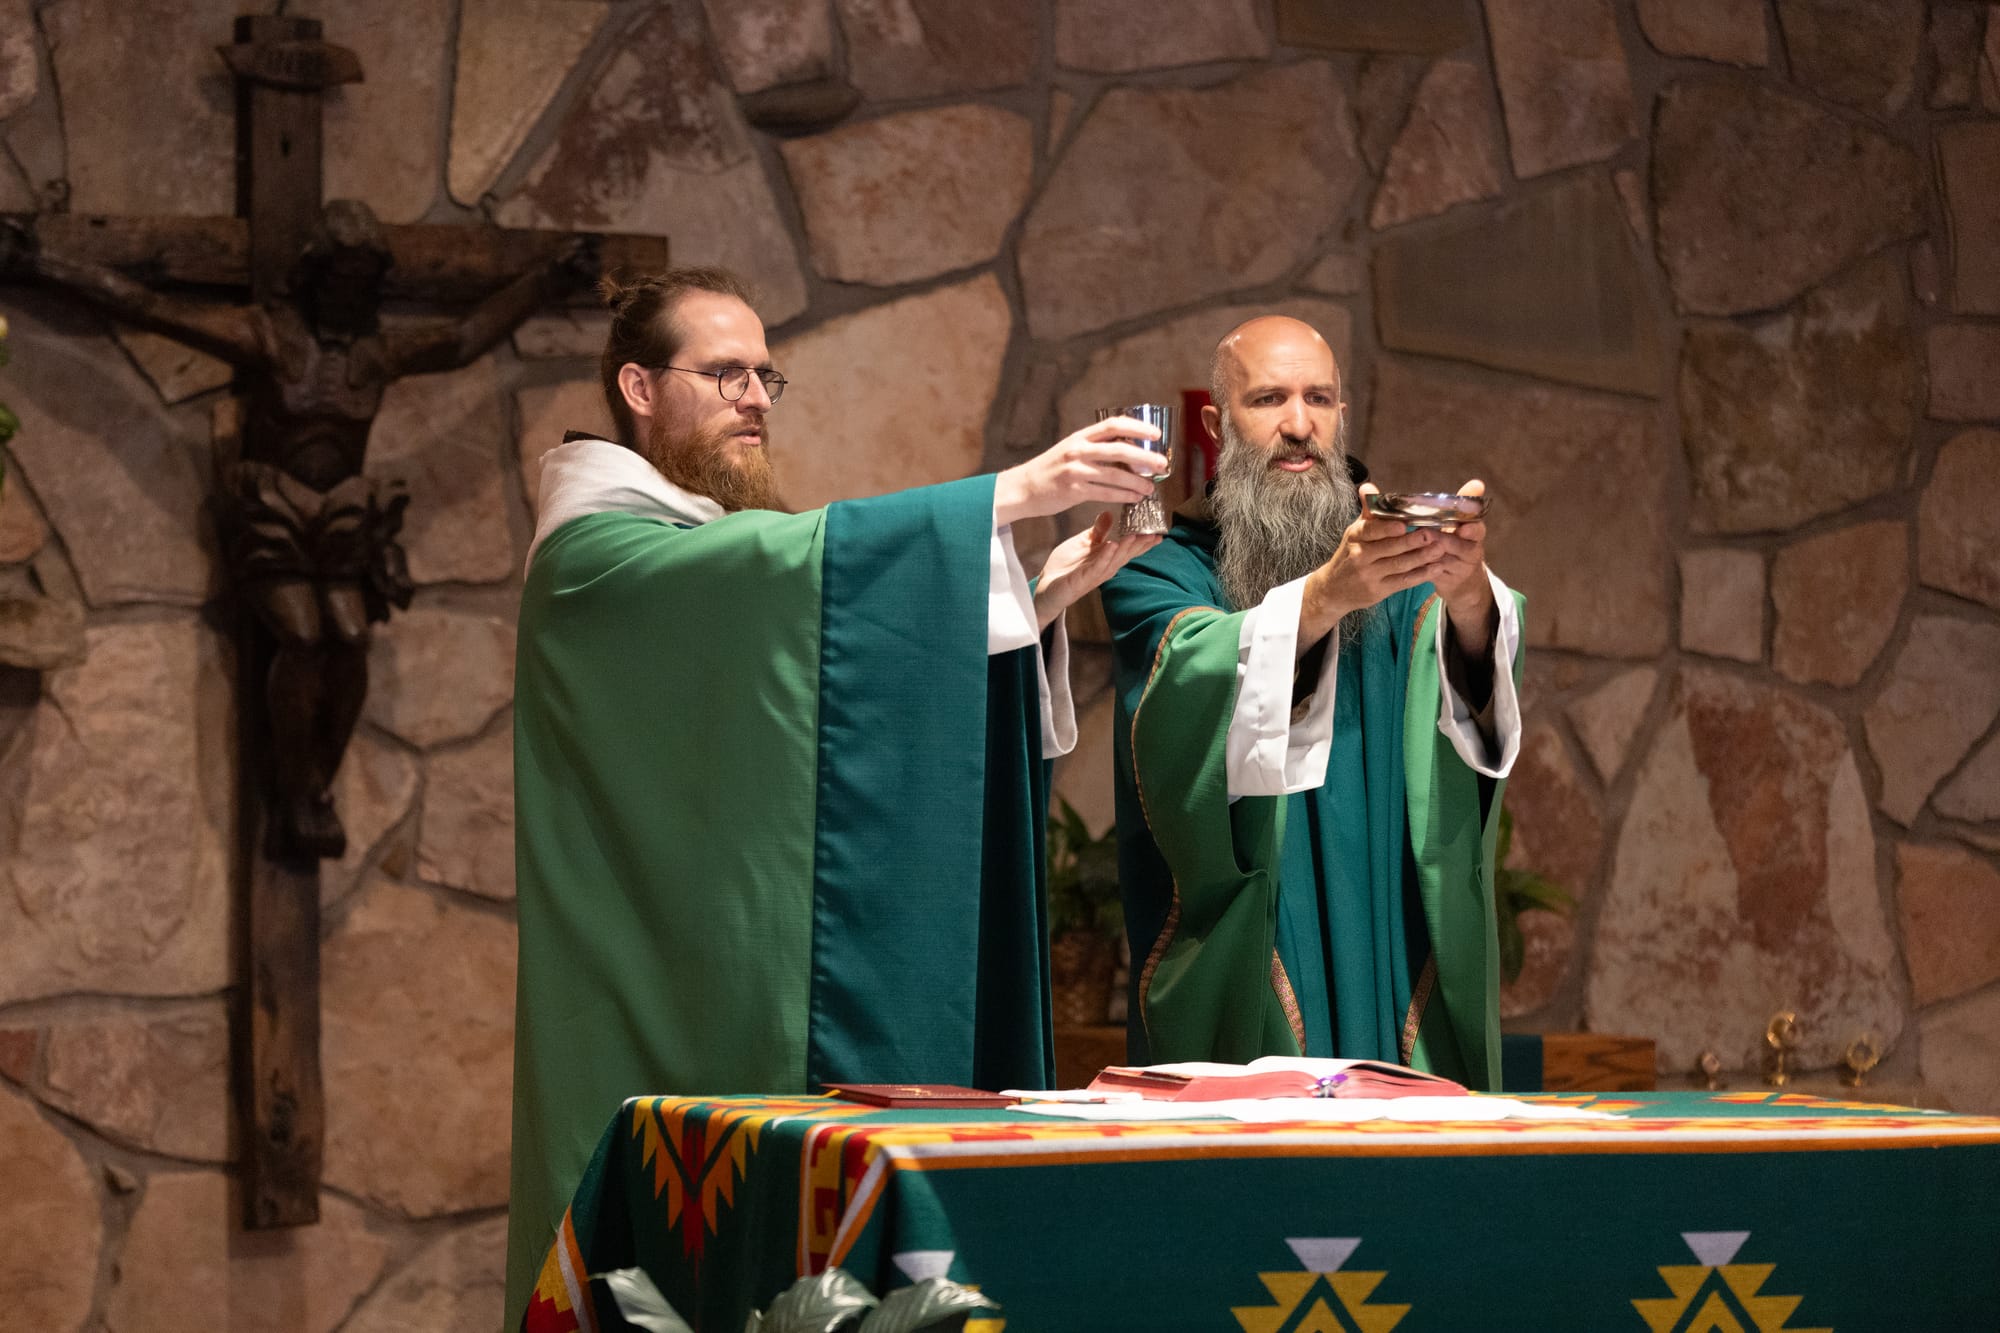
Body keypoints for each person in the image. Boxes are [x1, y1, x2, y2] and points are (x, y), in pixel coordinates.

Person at [505, 266, 1161, 1328]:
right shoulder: (596, 554)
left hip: (718, 978)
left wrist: (1045, 592)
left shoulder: (688, 541)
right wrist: (1010, 493)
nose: (754, 398)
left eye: (765, 375)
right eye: (724, 373)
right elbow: (788, 578)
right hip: (643, 999)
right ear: (637, 386)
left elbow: (845, 690)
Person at [1099, 316, 1523, 1090]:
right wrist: (1325, 596)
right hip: (1255, 965)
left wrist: (1466, 595)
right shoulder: (1158, 565)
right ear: (1217, 424)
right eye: (1269, 399)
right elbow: (1180, 685)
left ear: (1341, 415)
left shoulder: (1396, 564)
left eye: (1318, 399)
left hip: (1386, 946)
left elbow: (1473, 680)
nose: (1299, 424)